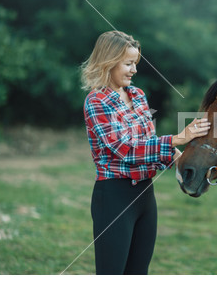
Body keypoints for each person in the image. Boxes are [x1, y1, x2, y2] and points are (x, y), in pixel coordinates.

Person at [81, 30, 210, 275]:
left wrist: (185, 163)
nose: (134, 70)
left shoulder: (138, 96)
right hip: (113, 197)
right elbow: (125, 149)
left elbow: (148, 143)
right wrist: (178, 138)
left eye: (135, 64)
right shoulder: (96, 101)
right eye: (128, 63)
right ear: (108, 62)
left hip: (145, 196)